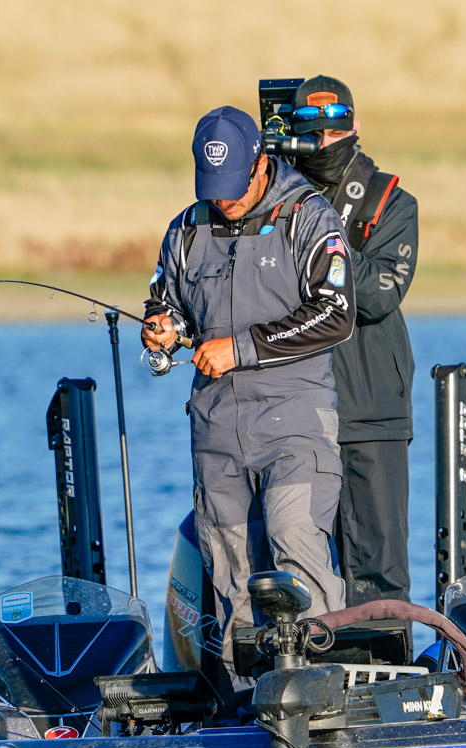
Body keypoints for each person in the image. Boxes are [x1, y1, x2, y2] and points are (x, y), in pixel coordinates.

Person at [142, 105, 355, 683]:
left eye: (234, 186)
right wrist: (163, 328)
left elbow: (336, 314)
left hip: (295, 422)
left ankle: (320, 690)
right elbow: (168, 301)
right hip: (216, 432)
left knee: (294, 545)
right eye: (214, 188)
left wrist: (242, 349)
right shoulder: (186, 229)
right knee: (230, 570)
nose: (225, 200)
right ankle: (244, 700)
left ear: (261, 164)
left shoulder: (308, 217)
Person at [291, 76, 418, 606]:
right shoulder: (273, 199)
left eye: (334, 132)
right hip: (291, 410)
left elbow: (380, 295)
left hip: (371, 407)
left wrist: (322, 237)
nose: (323, 144)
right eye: (311, 134)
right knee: (294, 569)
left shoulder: (392, 201)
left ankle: (382, 652)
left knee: (378, 573)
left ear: (356, 127)